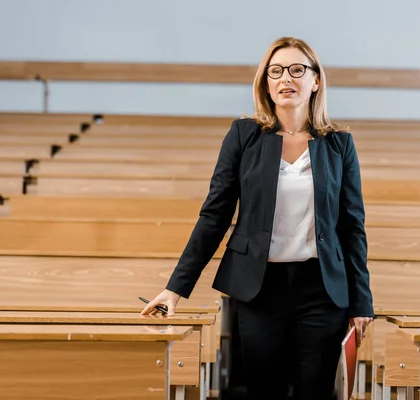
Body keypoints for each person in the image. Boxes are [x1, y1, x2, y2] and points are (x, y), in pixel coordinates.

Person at [141, 36, 374, 400]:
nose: (286, 78)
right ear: (266, 82)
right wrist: (175, 289)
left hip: (322, 290)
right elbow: (214, 215)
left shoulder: (339, 144)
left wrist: (362, 303)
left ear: (315, 81)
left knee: (315, 390)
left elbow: (351, 227)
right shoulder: (243, 136)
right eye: (276, 71)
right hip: (260, 288)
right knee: (264, 390)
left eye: (298, 69)